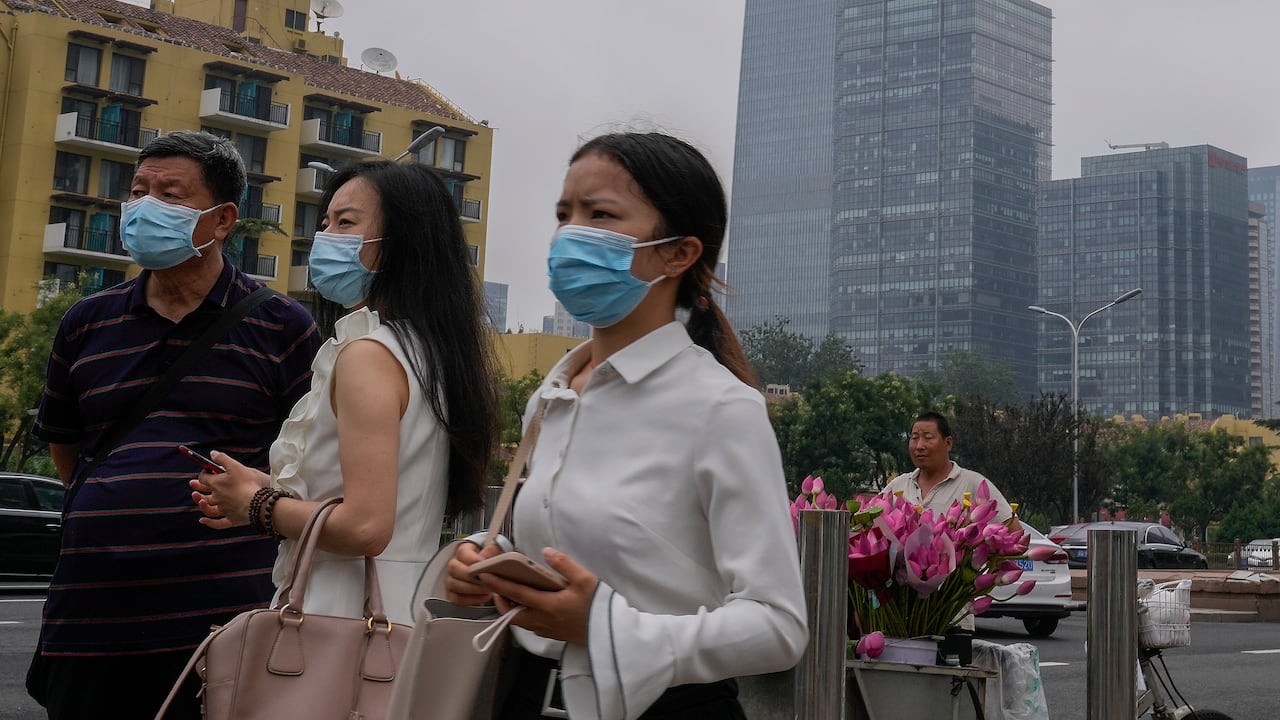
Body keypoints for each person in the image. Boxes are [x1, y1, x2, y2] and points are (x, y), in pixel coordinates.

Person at [445, 132, 808, 720]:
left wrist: (607, 627)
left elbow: (780, 626)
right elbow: (569, 553)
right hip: (528, 695)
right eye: (564, 215)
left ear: (678, 254)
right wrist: (489, 567)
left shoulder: (720, 407)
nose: (570, 235)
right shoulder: (556, 390)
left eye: (600, 215)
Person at [30, 131, 321, 719]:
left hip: (220, 625)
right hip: (90, 618)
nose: (144, 208)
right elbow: (70, 453)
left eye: (170, 194)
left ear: (222, 219)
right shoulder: (87, 323)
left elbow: (308, 465)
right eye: (138, 192)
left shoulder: (281, 327)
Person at [192, 159, 498, 629]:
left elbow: (365, 527)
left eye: (346, 223)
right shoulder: (430, 352)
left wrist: (257, 507)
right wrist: (264, 488)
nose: (326, 238)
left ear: (401, 243)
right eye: (326, 223)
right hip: (404, 612)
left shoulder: (368, 355)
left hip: (341, 614)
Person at [883, 410, 1013, 522]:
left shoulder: (974, 484)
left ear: (948, 443)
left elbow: (1015, 534)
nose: (919, 446)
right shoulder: (898, 486)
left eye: (928, 438)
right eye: (914, 438)